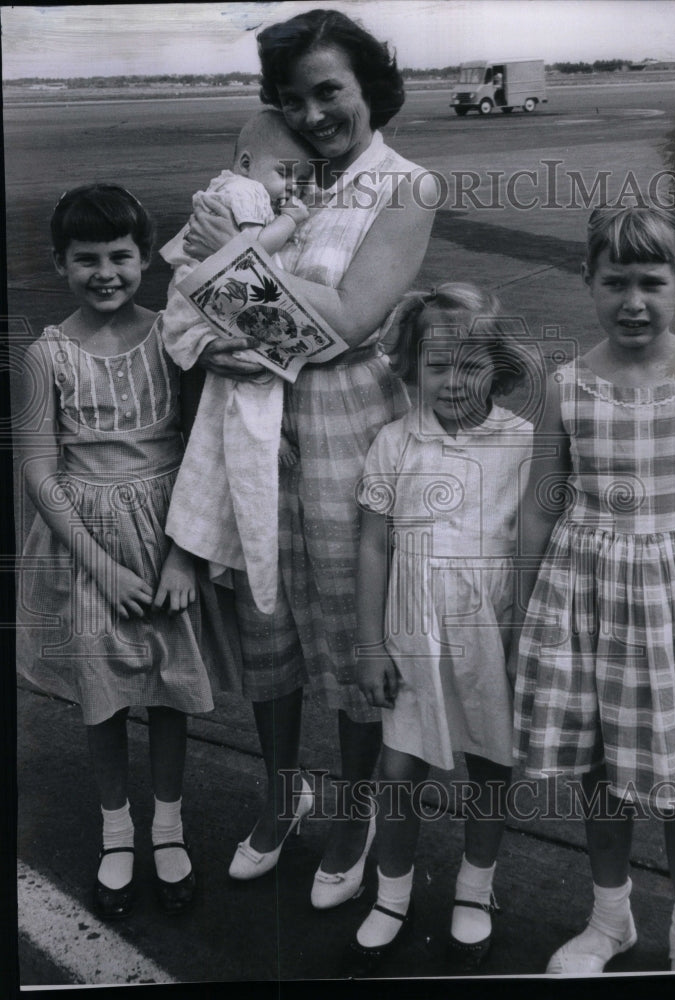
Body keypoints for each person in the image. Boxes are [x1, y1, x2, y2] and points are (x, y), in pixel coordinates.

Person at [179, 8, 438, 905]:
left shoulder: (405, 188)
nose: (315, 113)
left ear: (369, 85)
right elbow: (205, 302)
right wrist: (231, 274)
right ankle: (281, 794)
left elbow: (343, 324)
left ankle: (353, 810)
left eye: (329, 90)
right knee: (267, 621)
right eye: (295, 98)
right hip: (253, 421)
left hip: (347, 427)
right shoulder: (271, 179)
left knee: (346, 624)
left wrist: (230, 270)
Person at [511, 206, 675, 974]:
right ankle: (610, 916)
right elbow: (539, 506)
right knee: (602, 768)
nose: (633, 301)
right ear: (588, 282)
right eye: (614, 281)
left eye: (651, 282)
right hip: (588, 600)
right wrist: (525, 618)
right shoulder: (566, 385)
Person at [16, 184, 224, 920]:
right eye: (86, 260)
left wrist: (183, 556)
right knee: (103, 694)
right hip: (86, 541)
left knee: (168, 687)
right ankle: (116, 830)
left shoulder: (175, 336)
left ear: (145, 258)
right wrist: (100, 564)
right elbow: (41, 470)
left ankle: (168, 826)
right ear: (60, 264)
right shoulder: (46, 354)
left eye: (120, 256)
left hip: (168, 528)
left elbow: (204, 444)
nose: (105, 272)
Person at [342, 284, 533, 976]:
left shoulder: (524, 443)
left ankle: (475, 889)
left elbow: (533, 543)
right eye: (438, 365)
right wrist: (369, 646)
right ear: (413, 367)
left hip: (490, 634)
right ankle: (391, 892)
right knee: (398, 770)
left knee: (490, 763)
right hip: (412, 635)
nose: (454, 382)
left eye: (471, 365)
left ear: (499, 366)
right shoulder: (394, 442)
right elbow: (373, 544)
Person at [160, 109, 313, 618]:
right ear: (248, 162)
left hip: (198, 304)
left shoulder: (227, 186)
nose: (291, 189)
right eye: (285, 174)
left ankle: (197, 539)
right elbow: (245, 258)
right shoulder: (246, 194)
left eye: (301, 180)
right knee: (251, 381)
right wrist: (292, 220)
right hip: (211, 304)